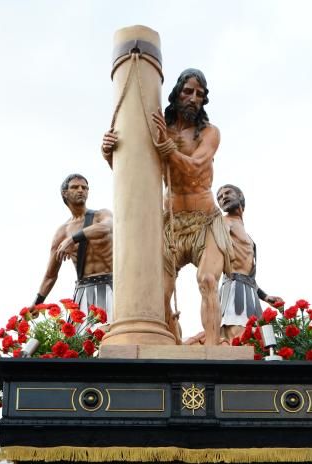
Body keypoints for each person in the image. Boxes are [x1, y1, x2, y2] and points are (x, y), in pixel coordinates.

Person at [102, 69, 234, 345]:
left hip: (206, 221)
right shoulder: (160, 128)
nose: (193, 98)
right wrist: (110, 151)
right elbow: (134, 172)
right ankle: (173, 348)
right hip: (171, 221)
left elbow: (196, 167)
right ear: (176, 93)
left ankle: (211, 349)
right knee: (158, 294)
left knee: (208, 279)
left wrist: (167, 149)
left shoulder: (209, 133)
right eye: (188, 91)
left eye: (199, 94)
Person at [32, 173, 113, 318]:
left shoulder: (101, 215)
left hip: (113, 287)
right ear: (65, 193)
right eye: (75, 187)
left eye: (85, 187)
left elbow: (108, 227)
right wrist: (37, 303)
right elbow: (51, 275)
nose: (81, 190)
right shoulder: (62, 232)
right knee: (82, 339)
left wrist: (73, 239)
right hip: (84, 292)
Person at [216, 184, 281, 340]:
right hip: (233, 294)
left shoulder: (248, 237)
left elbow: (247, 276)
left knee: (258, 344)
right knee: (237, 339)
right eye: (219, 196)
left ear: (240, 196)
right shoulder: (224, 223)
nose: (223, 197)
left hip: (250, 293)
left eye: (227, 192)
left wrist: (266, 297)